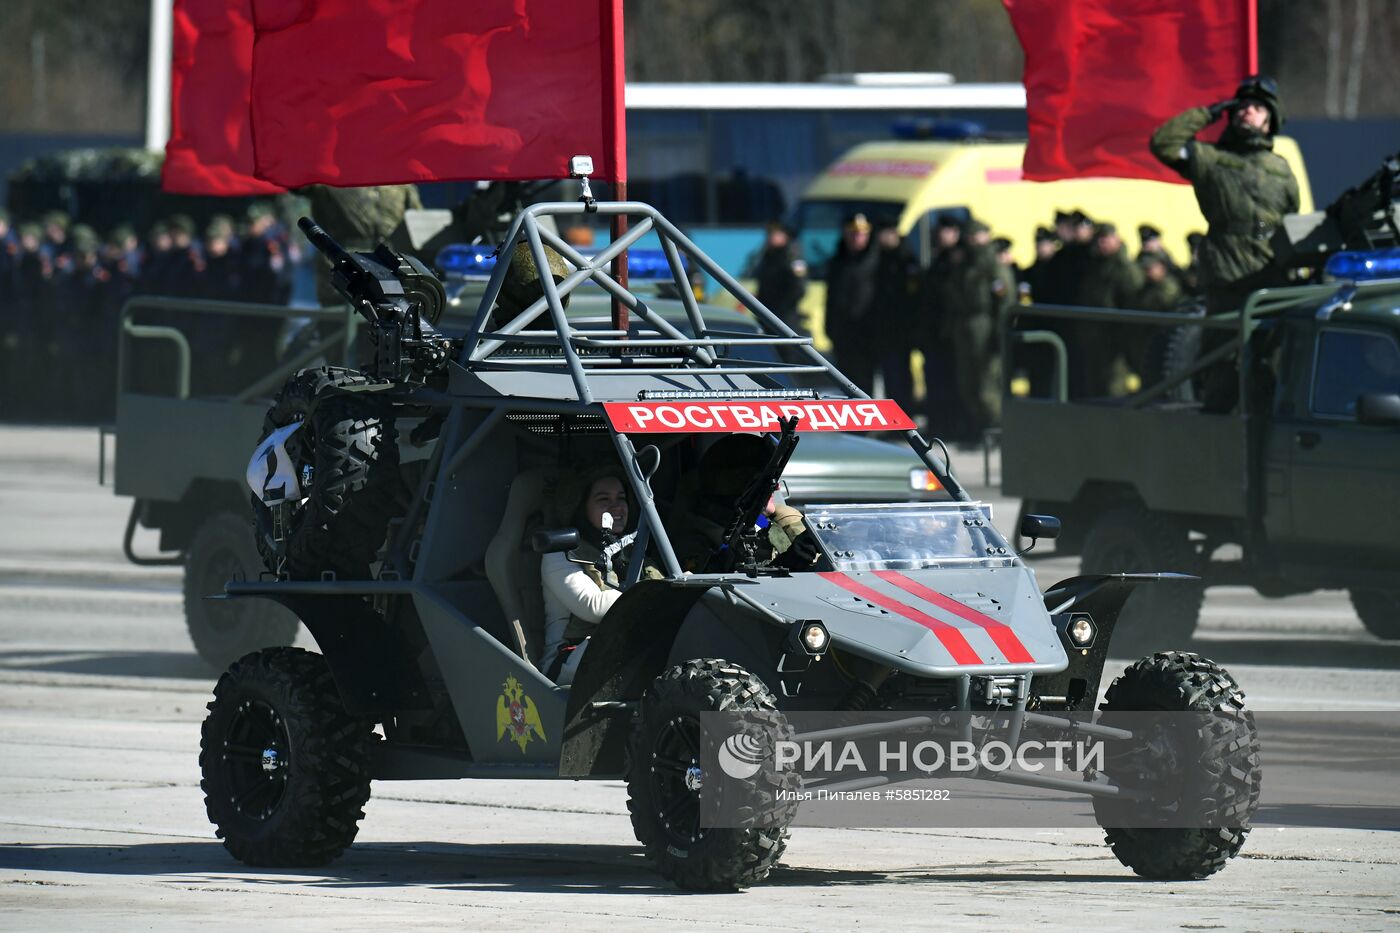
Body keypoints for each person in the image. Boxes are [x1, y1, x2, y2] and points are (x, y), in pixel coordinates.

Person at [1151, 75, 1299, 410]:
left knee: (1269, 369)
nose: (1248, 111)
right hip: (1227, 283)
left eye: (1258, 107)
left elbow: (1286, 220)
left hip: (1270, 283)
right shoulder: (1210, 159)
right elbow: (1163, 142)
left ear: (1270, 119)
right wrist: (1208, 113)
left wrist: (1269, 244)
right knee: (1221, 373)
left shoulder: (1281, 170)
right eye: (1243, 105)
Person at [540, 467, 656, 684]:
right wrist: (662, 593)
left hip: (619, 648)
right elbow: (593, 606)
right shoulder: (559, 553)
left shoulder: (632, 549)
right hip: (568, 658)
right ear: (581, 507)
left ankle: (725, 717)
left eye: (621, 498)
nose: (617, 506)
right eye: (604, 499)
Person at [671, 434, 820, 574]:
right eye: (763, 483)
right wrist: (791, 560)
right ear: (736, 487)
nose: (776, 488)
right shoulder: (696, 538)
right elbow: (718, 588)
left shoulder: (769, 519)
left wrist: (779, 515)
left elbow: (822, 560)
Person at [823, 213, 880, 392]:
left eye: (862, 233)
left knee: (864, 385)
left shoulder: (875, 260)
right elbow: (831, 297)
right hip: (843, 334)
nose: (857, 238)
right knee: (844, 384)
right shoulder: (838, 261)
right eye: (853, 233)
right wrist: (830, 327)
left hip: (867, 334)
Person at [750, 221, 807, 332]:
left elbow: (799, 288)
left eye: (775, 234)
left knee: (787, 347)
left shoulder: (792, 256)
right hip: (767, 315)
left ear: (785, 235)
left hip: (785, 317)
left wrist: (782, 308)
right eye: (769, 234)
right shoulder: (769, 256)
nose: (771, 237)